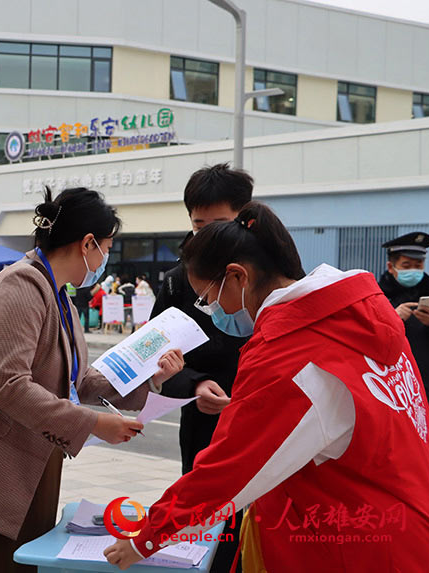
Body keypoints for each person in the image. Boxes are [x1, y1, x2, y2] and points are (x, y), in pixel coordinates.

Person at [104, 202, 429, 571]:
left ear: (238, 277)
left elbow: (228, 470)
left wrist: (145, 540)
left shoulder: (291, 352)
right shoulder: (359, 318)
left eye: (208, 299)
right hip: (418, 522)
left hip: (364, 548)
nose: (211, 310)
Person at [0, 187, 184, 572]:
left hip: (25, 464)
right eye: (106, 247)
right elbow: (10, 385)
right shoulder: (20, 287)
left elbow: (77, 380)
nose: (105, 258)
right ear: (87, 244)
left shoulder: (60, 298)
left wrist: (148, 378)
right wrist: (93, 423)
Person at [149, 163, 253, 571]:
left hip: (261, 420)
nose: (208, 235)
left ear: (246, 218)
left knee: (262, 525)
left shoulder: (270, 279)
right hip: (204, 423)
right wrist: (194, 384)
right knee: (211, 530)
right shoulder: (178, 283)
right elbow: (154, 356)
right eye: (199, 224)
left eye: (220, 223)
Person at [378, 232, 429, 433]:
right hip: (389, 393)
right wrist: (392, 320)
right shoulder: (375, 298)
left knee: (426, 462)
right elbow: (362, 339)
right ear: (391, 267)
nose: (413, 270)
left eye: (418, 265)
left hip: (428, 395)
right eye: (406, 265)